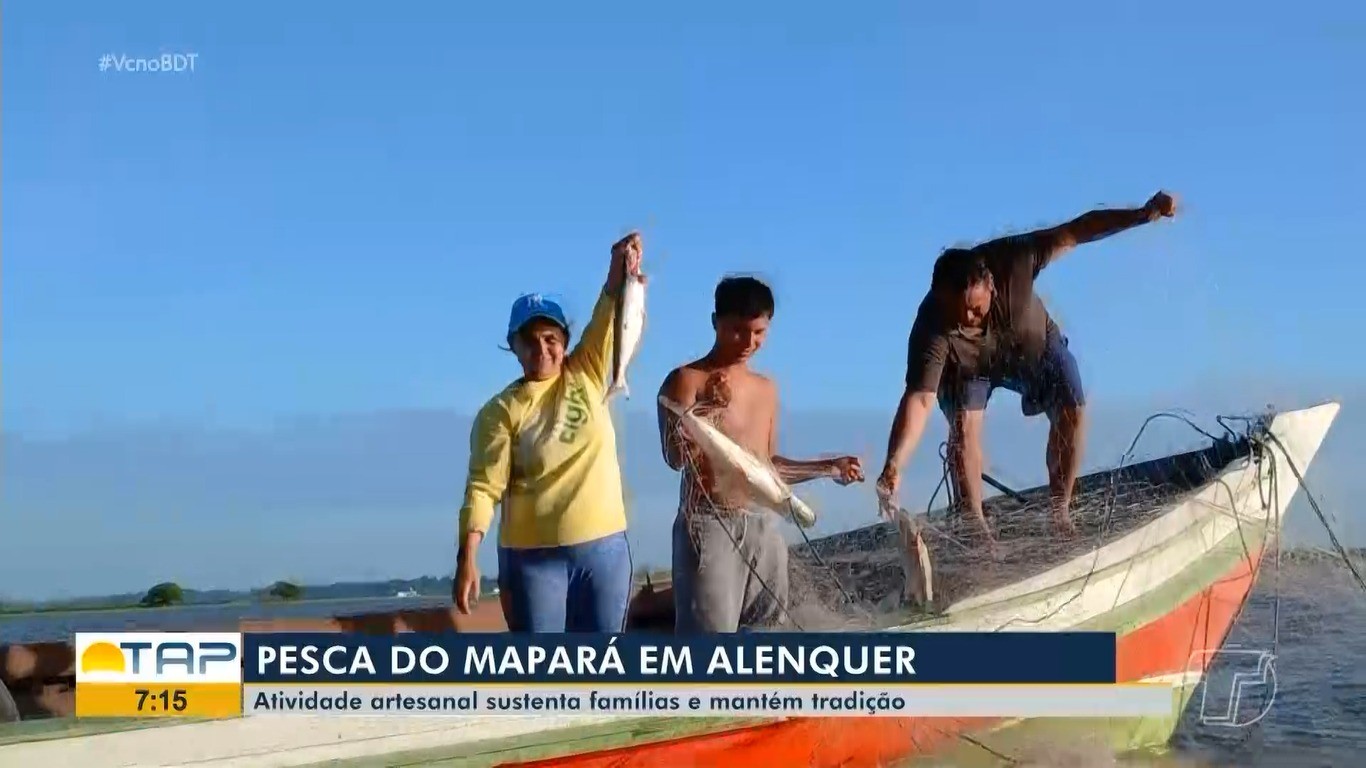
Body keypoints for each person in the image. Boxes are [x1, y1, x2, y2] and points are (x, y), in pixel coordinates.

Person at [876, 191, 1179, 546]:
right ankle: (976, 532)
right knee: (964, 432)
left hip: (1032, 346)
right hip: (969, 369)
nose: (967, 321)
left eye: (974, 310)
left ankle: (1059, 513)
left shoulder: (1015, 259)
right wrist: (894, 463)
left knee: (1073, 407)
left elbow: (1078, 231)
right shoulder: (933, 325)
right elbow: (920, 399)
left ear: (990, 284)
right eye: (956, 314)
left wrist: (1142, 215)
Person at [453, 232, 645, 632]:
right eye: (530, 341)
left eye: (551, 339)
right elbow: (484, 488)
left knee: (605, 669)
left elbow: (610, 308)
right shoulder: (499, 411)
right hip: (532, 558)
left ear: (565, 342)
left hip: (605, 549)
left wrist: (621, 265)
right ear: (514, 346)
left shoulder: (588, 371)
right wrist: (467, 557)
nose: (542, 350)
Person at [658, 275, 865, 633]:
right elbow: (675, 457)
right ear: (715, 323)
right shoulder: (685, 380)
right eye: (737, 330)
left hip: (763, 525)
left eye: (759, 332)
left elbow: (767, 467)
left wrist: (829, 466)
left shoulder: (765, 389)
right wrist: (704, 410)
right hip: (709, 525)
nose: (748, 342)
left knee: (769, 634)